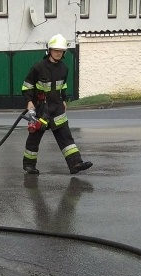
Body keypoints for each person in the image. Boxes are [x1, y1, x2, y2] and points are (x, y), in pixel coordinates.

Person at [21, 34, 93, 175]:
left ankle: (75, 163)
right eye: (56, 50)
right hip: (41, 108)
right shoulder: (38, 67)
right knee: (34, 139)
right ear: (50, 50)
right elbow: (27, 86)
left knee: (65, 136)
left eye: (61, 51)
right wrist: (29, 102)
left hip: (57, 107)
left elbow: (63, 86)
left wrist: (64, 99)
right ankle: (29, 165)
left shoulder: (64, 69)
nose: (58, 53)